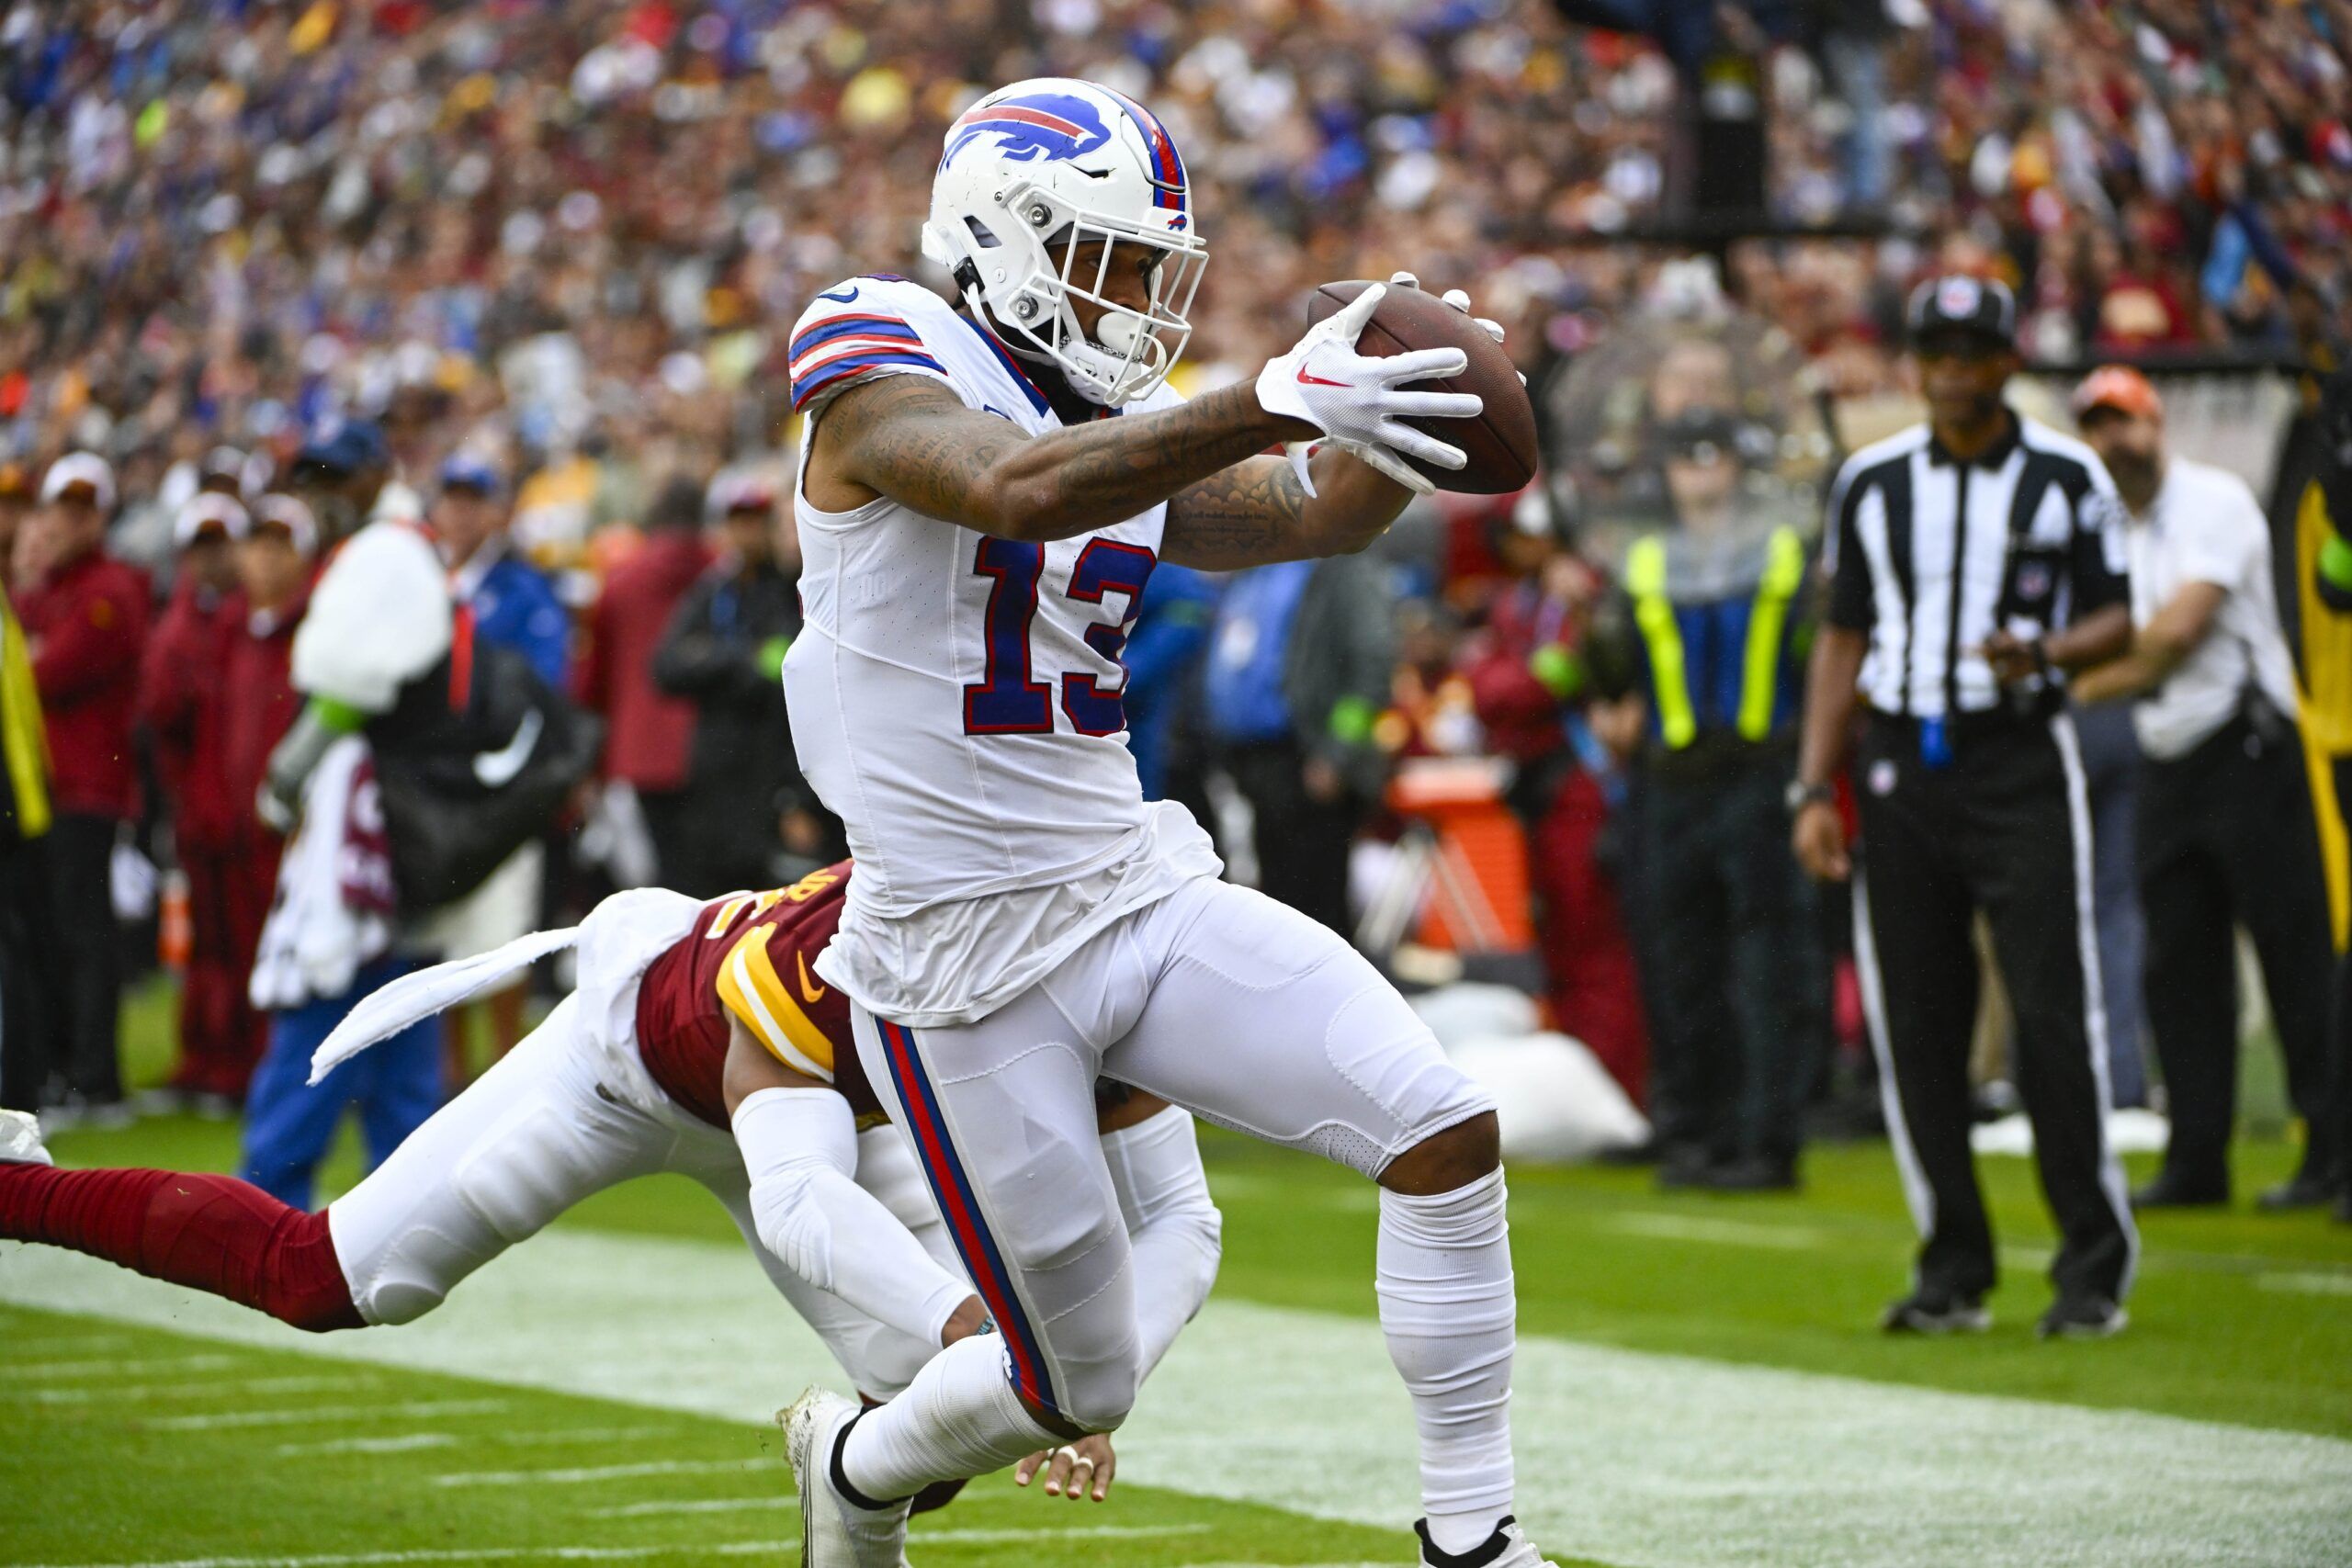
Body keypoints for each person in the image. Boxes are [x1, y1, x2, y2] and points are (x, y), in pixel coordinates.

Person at [776, 78, 1554, 1568]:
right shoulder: (873, 340)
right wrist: (1268, 393)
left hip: (1128, 888)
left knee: (1442, 1124)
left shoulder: (1124, 418)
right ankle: (862, 1471)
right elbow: (1010, 486)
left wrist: (1396, 416)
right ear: (1000, 235)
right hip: (957, 960)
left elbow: (1308, 515)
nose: (1135, 299)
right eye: (1108, 260)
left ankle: (1475, 1537)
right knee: (1078, 1380)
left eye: (1153, 268)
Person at [0, 861, 1218, 1506]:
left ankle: (835, 1474)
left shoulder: (1095, 967)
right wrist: (1003, 1335)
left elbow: (1182, 1217)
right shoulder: (855, 962)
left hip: (828, 1101)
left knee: (944, 1420)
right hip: (633, 1066)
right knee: (326, 1278)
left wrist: (1088, 1374)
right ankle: (17, 1183)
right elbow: (798, 1200)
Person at [1791, 276, 2139, 1339]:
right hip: (1899, 765)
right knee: (1917, 1023)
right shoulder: (1870, 480)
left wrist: (2043, 650)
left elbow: (2116, 620)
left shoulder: (2066, 475)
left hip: (2017, 756)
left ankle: (2089, 1263)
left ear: (2003, 363)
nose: (1948, 368)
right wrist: (1813, 783)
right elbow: (1842, 635)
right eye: (1932, 349)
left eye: (1969, 350)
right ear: (1915, 362)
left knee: (2049, 1010)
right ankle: (1952, 1263)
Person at [2068, 367, 2341, 1211]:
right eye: (2099, 428)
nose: (2115, 442)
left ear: (2156, 423)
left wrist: (2066, 679)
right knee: (2178, 967)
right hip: (2165, 751)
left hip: (2248, 745)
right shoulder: (2110, 526)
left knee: (2294, 955)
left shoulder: (2213, 500)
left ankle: (2331, 1151)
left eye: (2126, 422)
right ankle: (2196, 1156)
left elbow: (2179, 632)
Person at [1585, 407, 1824, 1191]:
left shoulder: (1786, 549)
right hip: (1669, 782)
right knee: (1678, 962)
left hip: (1759, 773)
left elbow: (1819, 645)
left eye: (1713, 456)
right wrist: (1604, 691)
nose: (1700, 472)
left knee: (1767, 965)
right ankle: (1693, 1132)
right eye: (1686, 458)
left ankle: (1766, 1138)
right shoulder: (1645, 558)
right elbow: (1609, 660)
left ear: (1738, 469)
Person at [420, 453, 571, 1070]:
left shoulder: (522, 588)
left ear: (496, 511)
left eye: (472, 499)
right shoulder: (423, 578)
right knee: (446, 934)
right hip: (436, 785)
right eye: (450, 498)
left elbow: (544, 682)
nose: (459, 512)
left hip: (501, 784)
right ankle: (454, 1074)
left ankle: (504, 1068)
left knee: (504, 932)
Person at [12, 453, 150, 1126]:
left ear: (100, 515)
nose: (67, 520)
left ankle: (95, 1077)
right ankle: (73, 1068)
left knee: (81, 934)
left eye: (81, 508)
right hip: (51, 786)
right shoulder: (53, 587)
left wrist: (33, 645)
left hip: (86, 787)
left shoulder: (107, 588)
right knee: (55, 933)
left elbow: (46, 670)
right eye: (60, 507)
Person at [1202, 550, 1396, 933]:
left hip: (1309, 769)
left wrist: (1335, 755)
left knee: (1315, 917)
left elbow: (1371, 669)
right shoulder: (1255, 567)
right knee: (1277, 910)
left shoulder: (1343, 569)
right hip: (1255, 766)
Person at [651, 469, 826, 896]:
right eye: (737, 521)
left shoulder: (790, 590)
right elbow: (666, 667)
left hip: (772, 781)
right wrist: (739, 661)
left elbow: (787, 673)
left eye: (756, 521)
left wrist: (796, 799)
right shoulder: (711, 592)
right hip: (713, 781)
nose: (747, 532)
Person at [139, 492, 259, 1108]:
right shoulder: (184, 623)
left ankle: (241, 1063)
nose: (212, 558)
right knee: (206, 943)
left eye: (221, 543)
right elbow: (161, 714)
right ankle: (206, 1057)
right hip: (198, 810)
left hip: (246, 812)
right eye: (201, 545)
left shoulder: (249, 620)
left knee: (246, 941)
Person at [575, 476, 714, 885]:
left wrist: (593, 764)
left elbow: (593, 683)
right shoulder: (724, 574)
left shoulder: (621, 582)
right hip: (715, 749)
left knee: (664, 883)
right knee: (720, 886)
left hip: (642, 752)